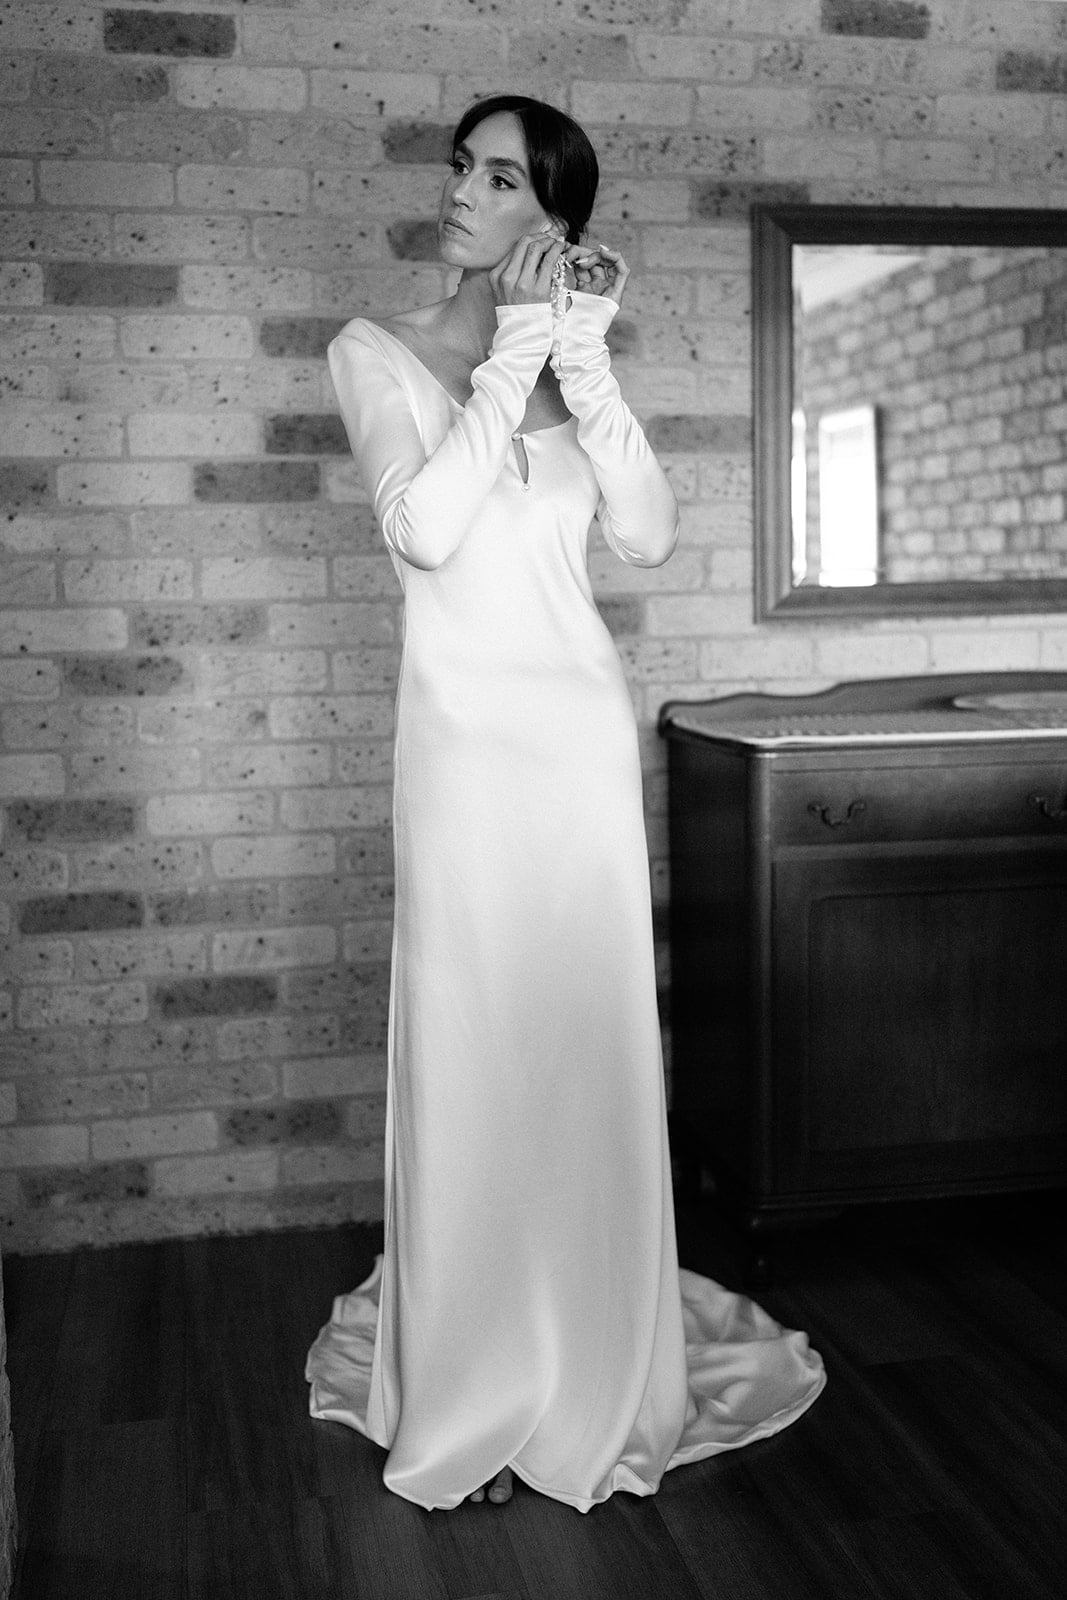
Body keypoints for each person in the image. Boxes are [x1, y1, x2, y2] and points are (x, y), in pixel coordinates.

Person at [306, 94, 824, 1512]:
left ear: (556, 221)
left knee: (581, 1041)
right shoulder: (374, 351)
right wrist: (513, 353)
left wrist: (578, 360)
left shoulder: (570, 360)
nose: (462, 194)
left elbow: (645, 535)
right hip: (463, 751)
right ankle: (472, 1388)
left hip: (577, 743)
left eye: (500, 180)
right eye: (461, 169)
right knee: (475, 1043)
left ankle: (591, 1366)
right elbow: (423, 531)